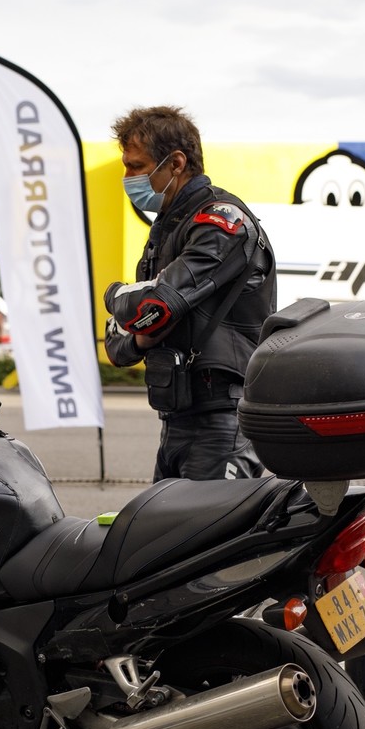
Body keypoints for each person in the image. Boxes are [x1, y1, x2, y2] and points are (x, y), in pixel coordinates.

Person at [102, 106, 276, 482]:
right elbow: (119, 344)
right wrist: (142, 329)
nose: (127, 177)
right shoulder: (168, 226)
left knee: (210, 540)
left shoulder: (221, 222)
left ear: (176, 163)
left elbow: (151, 307)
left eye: (135, 166)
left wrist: (114, 295)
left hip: (221, 420)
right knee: (161, 538)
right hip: (177, 419)